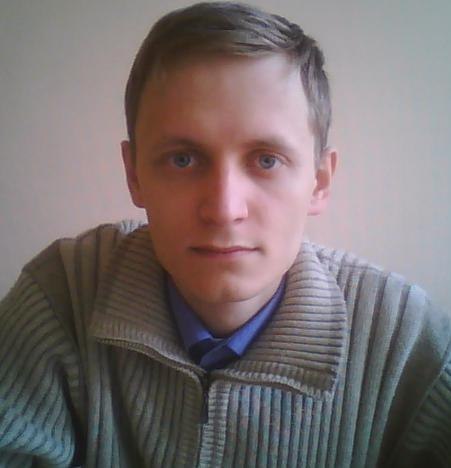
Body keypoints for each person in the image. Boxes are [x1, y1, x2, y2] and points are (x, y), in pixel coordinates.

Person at [0, 2, 450, 467]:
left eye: (267, 160)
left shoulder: (409, 345)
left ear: (319, 181)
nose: (223, 209)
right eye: (183, 159)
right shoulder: (63, 296)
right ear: (134, 175)